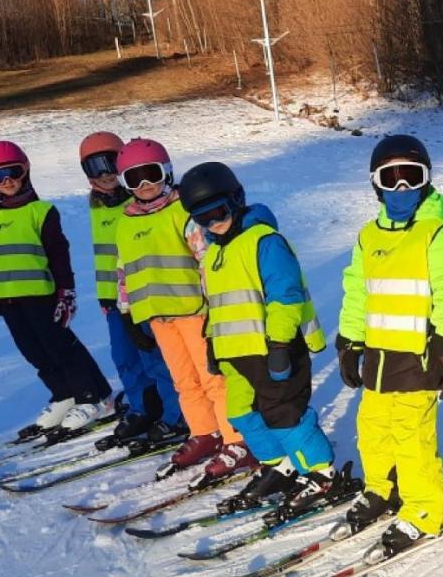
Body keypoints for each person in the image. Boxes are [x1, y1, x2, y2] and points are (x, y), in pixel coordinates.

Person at [177, 161, 344, 512]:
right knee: (240, 414)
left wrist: (280, 345)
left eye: (218, 212)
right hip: (236, 354)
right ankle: (280, 466)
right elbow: (218, 306)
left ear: (237, 200)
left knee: (284, 414)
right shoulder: (215, 253)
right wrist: (212, 343)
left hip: (271, 349)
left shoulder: (265, 241)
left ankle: (321, 473)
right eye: (202, 219)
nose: (213, 223)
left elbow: (285, 297)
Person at [334, 134, 443, 555]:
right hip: (377, 357)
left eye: (411, 177)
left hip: (419, 355)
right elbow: (357, 291)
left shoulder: (438, 234)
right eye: (389, 178)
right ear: (375, 184)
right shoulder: (368, 235)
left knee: (413, 438)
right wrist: (349, 342)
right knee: (372, 428)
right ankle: (383, 488)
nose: (400, 189)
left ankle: (427, 509)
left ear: (426, 181)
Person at [112, 138, 251, 482]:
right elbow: (123, 269)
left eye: (151, 174)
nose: (145, 185)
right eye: (135, 179)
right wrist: (126, 311)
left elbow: (205, 258)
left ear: (168, 172)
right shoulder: (124, 221)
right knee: (183, 381)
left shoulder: (182, 213)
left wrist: (215, 306)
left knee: (213, 379)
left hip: (193, 311)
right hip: (157, 316)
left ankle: (236, 438)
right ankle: (205, 431)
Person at [0, 139, 114, 435]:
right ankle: (64, 394)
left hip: (40, 296)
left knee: (60, 347)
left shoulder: (41, 211)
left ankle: (94, 397)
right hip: (4, 299)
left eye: (13, 171)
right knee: (33, 352)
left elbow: (59, 255)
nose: (7, 180)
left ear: (26, 172)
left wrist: (66, 292)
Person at [78, 131, 185, 450]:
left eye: (110, 163)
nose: (105, 173)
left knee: (156, 359)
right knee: (124, 358)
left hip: (147, 295)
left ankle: (176, 412)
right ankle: (143, 408)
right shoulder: (97, 205)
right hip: (114, 298)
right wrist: (104, 295)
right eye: (94, 167)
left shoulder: (138, 201)